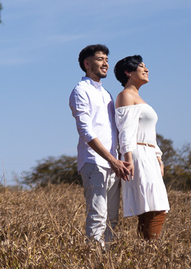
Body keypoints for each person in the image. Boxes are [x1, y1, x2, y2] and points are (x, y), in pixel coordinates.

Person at [69, 44, 133, 246]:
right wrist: (112, 159)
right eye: (100, 59)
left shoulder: (107, 94)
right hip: (94, 162)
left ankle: (108, 261)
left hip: (113, 164)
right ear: (87, 64)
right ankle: (93, 260)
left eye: (106, 59)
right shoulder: (80, 91)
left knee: (112, 220)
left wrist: (119, 160)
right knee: (97, 217)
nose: (105, 63)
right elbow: (85, 131)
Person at [114, 55, 170, 240]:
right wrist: (128, 160)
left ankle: (146, 251)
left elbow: (150, 133)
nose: (146, 70)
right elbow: (126, 132)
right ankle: (151, 250)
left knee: (153, 207)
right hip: (137, 155)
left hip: (149, 154)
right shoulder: (126, 96)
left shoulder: (138, 97)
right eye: (141, 67)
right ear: (128, 72)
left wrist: (158, 157)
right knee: (155, 206)